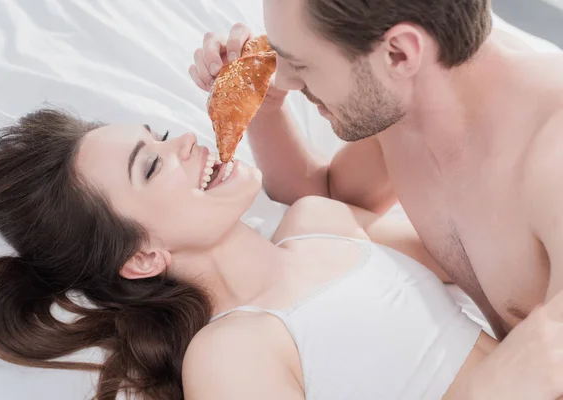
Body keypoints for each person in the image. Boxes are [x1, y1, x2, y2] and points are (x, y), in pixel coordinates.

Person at [0, 108, 500, 399]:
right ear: (143, 257)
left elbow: (487, 259)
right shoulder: (227, 355)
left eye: (163, 136)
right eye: (151, 166)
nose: (185, 143)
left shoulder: (321, 221)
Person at [189, 0, 563, 396]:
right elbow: (326, 199)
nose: (285, 79)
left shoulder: (549, 160)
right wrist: (263, 107)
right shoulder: (406, 107)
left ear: (399, 53)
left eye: (301, 64)